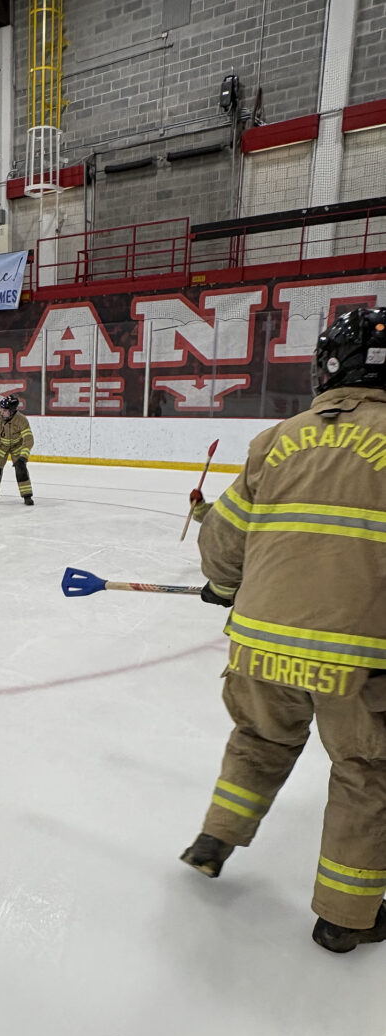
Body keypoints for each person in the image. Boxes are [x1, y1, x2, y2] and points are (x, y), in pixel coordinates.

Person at [180, 308, 386, 953]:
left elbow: (224, 541)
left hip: (261, 642)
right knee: (366, 771)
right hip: (361, 657)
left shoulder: (277, 440)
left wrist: (222, 588)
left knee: (260, 738)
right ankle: (346, 917)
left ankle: (216, 837)